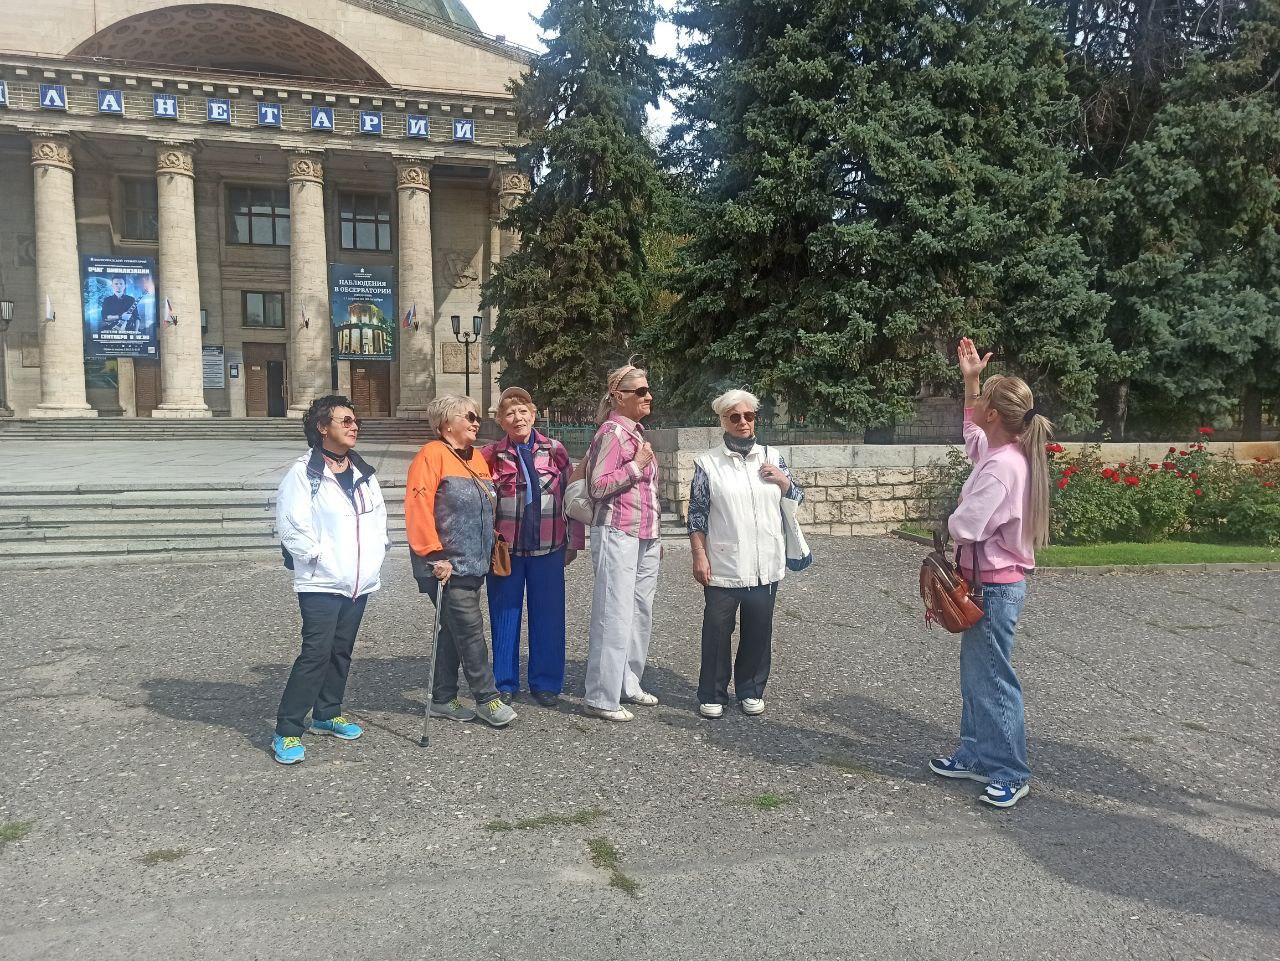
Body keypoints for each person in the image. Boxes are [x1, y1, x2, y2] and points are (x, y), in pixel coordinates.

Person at [928, 337, 1052, 809]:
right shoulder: (1003, 452)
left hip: (994, 588)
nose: (976, 406)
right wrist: (971, 381)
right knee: (977, 676)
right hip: (989, 585)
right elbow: (973, 437)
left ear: (995, 414)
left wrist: (953, 515)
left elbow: (967, 526)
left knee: (994, 679)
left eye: (982, 401)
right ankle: (976, 754)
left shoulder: (1002, 468)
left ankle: (1010, 771)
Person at [272, 395, 389, 765]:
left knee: (341, 650)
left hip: (358, 580)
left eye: (355, 421)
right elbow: (291, 523)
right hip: (321, 580)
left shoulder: (363, 472)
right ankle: (287, 728)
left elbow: (378, 518)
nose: (354, 427)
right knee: (316, 653)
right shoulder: (303, 473)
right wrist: (317, 556)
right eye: (345, 421)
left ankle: (327, 713)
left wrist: (377, 554)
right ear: (322, 428)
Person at [687, 389, 803, 719]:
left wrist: (783, 482)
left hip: (765, 562)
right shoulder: (708, 463)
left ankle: (750, 689)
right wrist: (699, 555)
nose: (743, 422)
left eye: (749, 416)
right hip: (724, 562)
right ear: (723, 421)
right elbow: (697, 513)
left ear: (755, 419)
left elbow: (797, 497)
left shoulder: (773, 457)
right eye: (734, 416)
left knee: (759, 630)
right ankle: (712, 693)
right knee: (717, 629)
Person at [405, 395, 517, 728]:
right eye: (468, 416)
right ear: (446, 423)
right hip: (444, 566)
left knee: (453, 629)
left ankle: (442, 698)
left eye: (477, 416)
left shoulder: (476, 459)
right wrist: (434, 554)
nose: (476, 421)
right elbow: (417, 506)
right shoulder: (431, 454)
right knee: (469, 630)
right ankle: (487, 698)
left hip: (474, 563)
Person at [577, 364, 662, 722]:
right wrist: (636, 465)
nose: (648, 396)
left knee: (640, 610)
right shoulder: (612, 433)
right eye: (640, 391)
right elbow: (598, 486)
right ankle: (600, 695)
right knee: (613, 612)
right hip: (617, 531)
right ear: (618, 396)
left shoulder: (636, 433)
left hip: (645, 534)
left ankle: (628, 682)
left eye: (648, 389)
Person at [482, 387, 575, 708]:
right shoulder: (491, 455)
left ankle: (546, 682)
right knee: (504, 616)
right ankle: (504, 682)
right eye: (510, 413)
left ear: (534, 415)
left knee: (549, 618)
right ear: (500, 421)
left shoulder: (555, 451)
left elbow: (572, 497)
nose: (517, 418)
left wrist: (574, 542)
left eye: (523, 411)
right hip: (506, 552)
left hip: (549, 548)